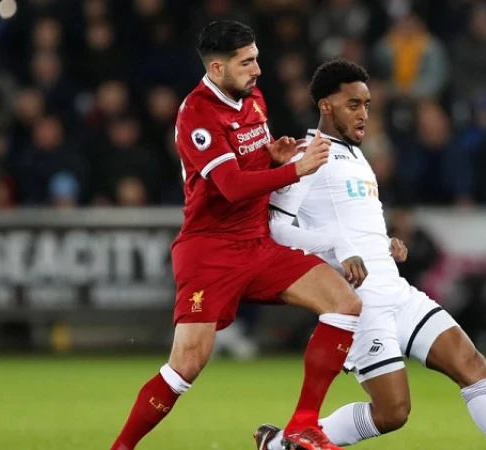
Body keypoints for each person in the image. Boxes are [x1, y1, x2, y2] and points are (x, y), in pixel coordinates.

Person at [110, 22, 364, 450]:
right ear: (217, 67)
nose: (257, 69)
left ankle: (304, 424)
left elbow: (251, 167)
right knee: (187, 364)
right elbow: (228, 185)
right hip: (210, 251)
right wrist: (293, 169)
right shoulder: (197, 113)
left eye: (257, 57)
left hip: (258, 243)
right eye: (246, 62)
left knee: (344, 303)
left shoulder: (253, 99)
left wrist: (272, 158)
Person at [254, 60, 486, 450]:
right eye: (353, 104)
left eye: (367, 104)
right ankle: (282, 444)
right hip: (359, 304)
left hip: (397, 292)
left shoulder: (358, 156)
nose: (364, 113)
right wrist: (337, 245)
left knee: (474, 367)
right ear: (326, 106)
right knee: (392, 413)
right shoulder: (306, 153)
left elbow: (351, 222)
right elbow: (277, 230)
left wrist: (383, 245)